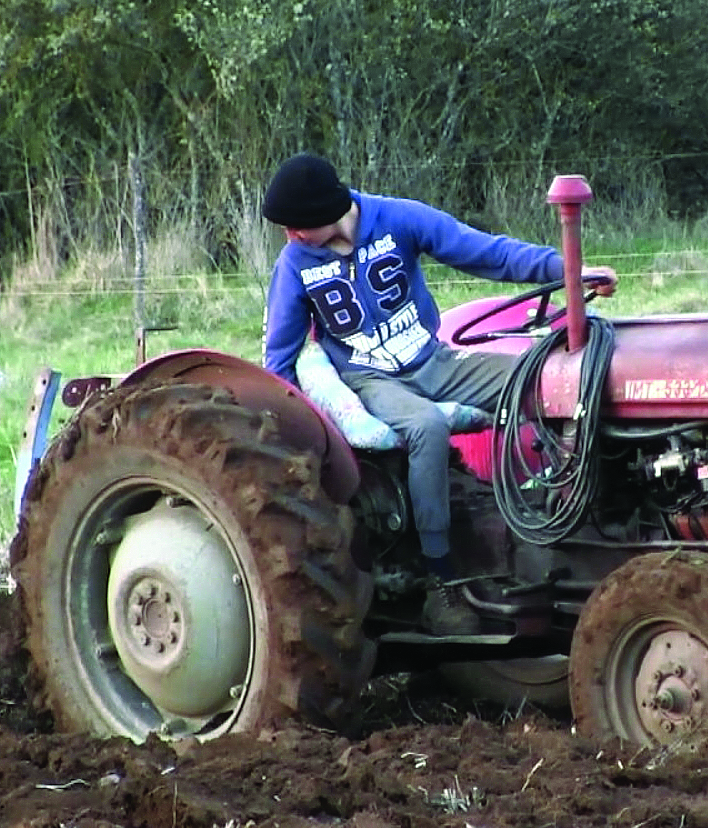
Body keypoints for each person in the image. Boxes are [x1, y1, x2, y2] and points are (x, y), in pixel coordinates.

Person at [260, 153, 616, 621]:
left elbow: (484, 251)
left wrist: (568, 271)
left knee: (546, 381)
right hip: (369, 377)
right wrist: (291, 436)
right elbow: (279, 356)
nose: (289, 236)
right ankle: (440, 577)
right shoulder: (295, 264)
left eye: (295, 225)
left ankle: (580, 509)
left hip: (433, 360)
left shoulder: (397, 218)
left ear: (324, 212)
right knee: (425, 425)